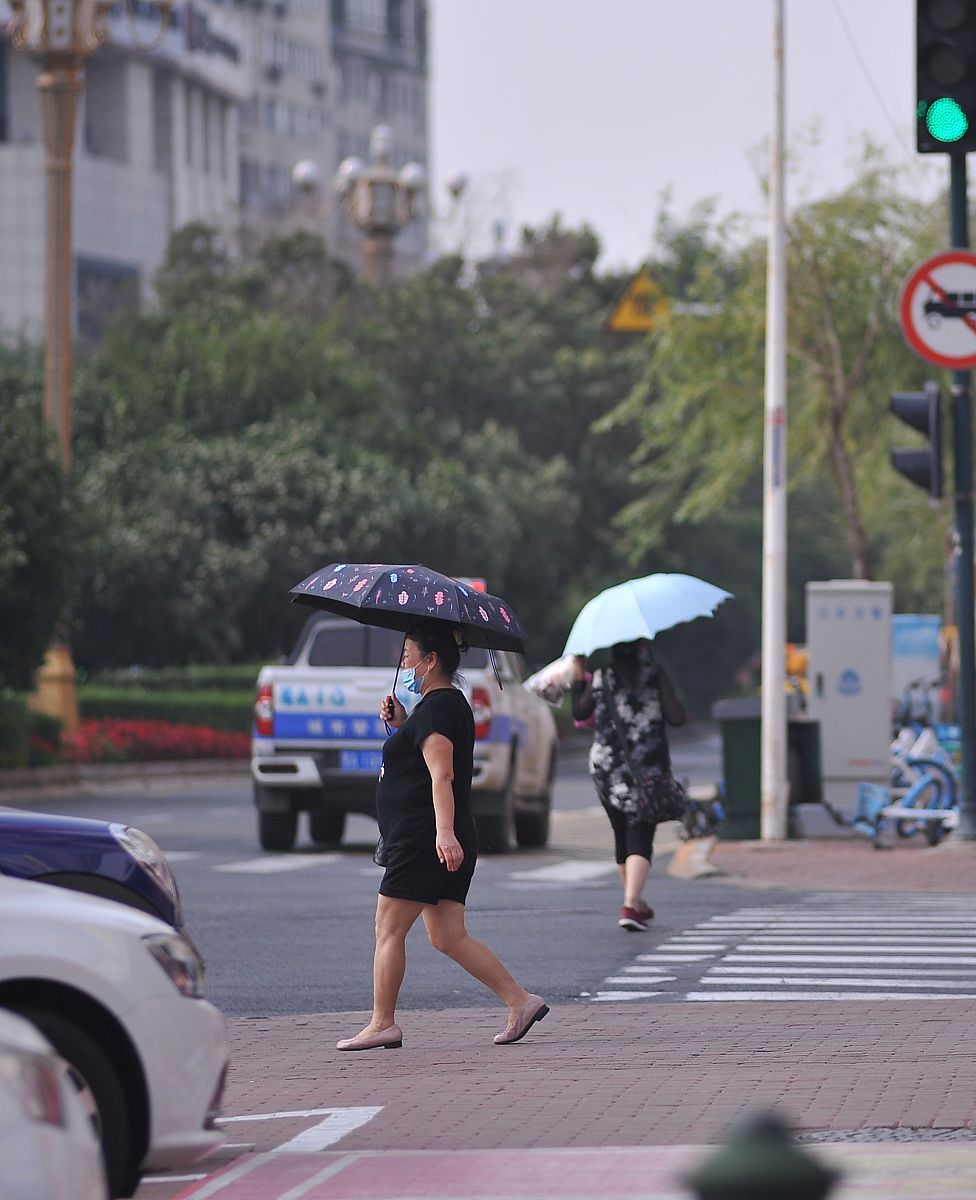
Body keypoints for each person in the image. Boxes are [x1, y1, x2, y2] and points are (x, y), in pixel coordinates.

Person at [336, 620, 549, 1051]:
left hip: (423, 838)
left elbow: (443, 774)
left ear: (431, 661)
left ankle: (382, 1023)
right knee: (448, 935)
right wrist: (403, 724)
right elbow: (427, 758)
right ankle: (519, 1001)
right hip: (436, 835)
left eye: (408, 656)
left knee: (388, 929)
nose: (405, 664)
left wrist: (444, 833)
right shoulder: (443, 707)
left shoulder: (436, 710)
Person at [570, 638, 686, 932]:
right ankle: (631, 904)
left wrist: (576, 680)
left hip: (607, 769)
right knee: (641, 834)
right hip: (648, 769)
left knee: (622, 832)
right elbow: (677, 717)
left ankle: (634, 900)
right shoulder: (654, 675)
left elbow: (580, 713)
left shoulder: (601, 677)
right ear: (640, 647)